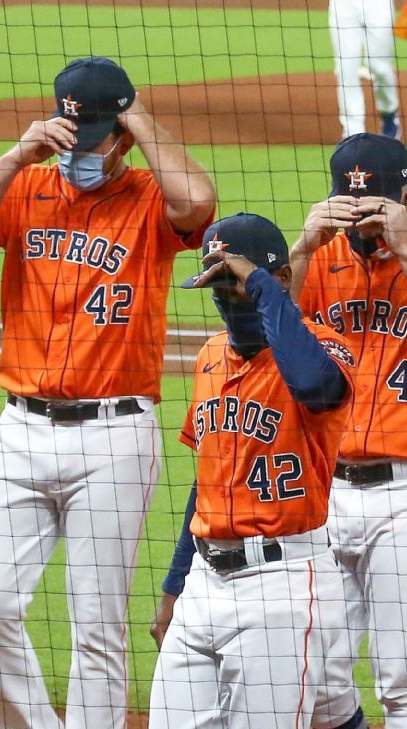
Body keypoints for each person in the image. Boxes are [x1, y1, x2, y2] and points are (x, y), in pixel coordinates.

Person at [0, 56, 216, 729]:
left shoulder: (148, 197)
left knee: (96, 623)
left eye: (93, 140)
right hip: (20, 430)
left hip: (114, 434)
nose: (77, 153)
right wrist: (17, 153)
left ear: (118, 136)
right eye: (70, 134)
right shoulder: (28, 188)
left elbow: (198, 203)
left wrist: (138, 121)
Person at [148, 213, 365, 729]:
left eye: (235, 284)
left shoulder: (326, 347)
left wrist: (264, 290)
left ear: (279, 279)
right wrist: (176, 585)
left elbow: (316, 387)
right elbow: (207, 483)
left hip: (281, 584)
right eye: (216, 286)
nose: (225, 298)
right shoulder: (209, 356)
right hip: (204, 579)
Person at [330, 0, 402, 139]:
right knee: (346, 68)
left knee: (380, 67)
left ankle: (389, 113)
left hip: (378, 5)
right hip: (343, 5)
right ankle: (353, 134)